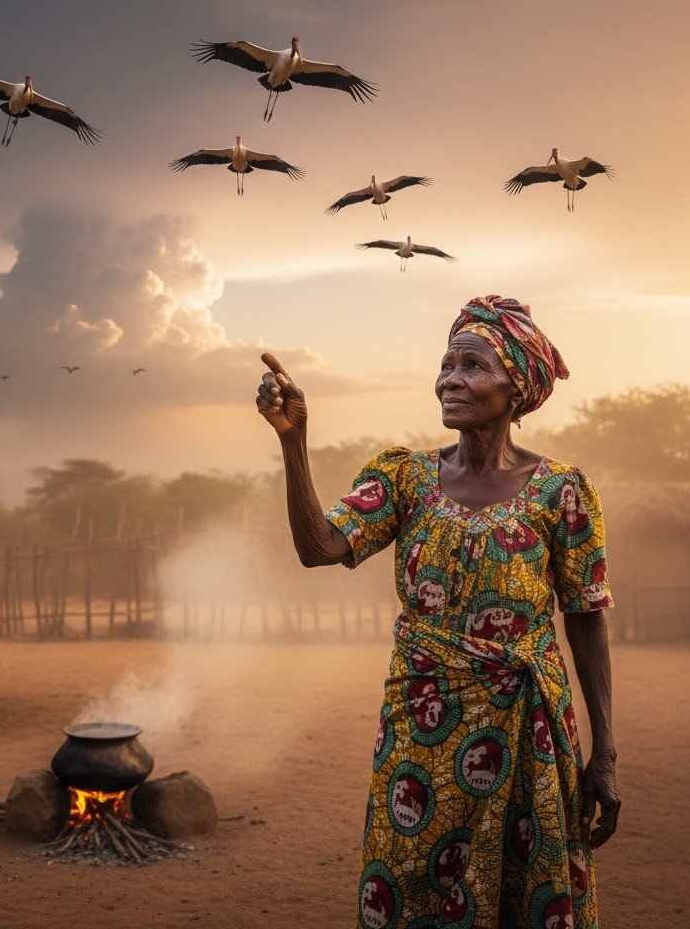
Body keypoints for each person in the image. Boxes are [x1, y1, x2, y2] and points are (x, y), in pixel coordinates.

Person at [255, 294, 619, 929]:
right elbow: (320, 548)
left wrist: (606, 756)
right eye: (447, 364)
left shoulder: (562, 490)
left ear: (518, 387)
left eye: (473, 365)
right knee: (413, 881)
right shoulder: (405, 479)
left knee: (525, 888)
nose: (450, 379)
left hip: (528, 729)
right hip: (422, 730)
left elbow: (586, 617)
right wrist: (295, 440)